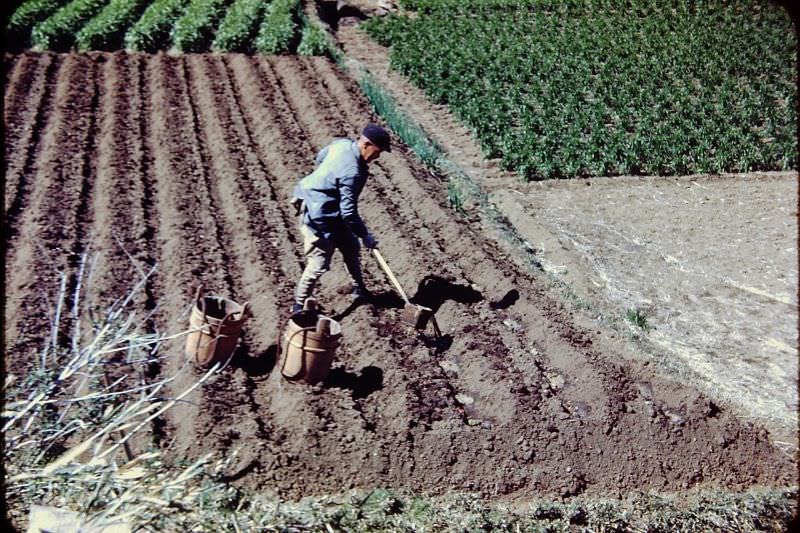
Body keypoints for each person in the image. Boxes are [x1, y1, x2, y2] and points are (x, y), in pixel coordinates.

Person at [290, 124, 391, 314]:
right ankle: (298, 305)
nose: (377, 157)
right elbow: (349, 213)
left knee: (351, 248)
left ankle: (359, 289)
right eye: (377, 152)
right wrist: (365, 235)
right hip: (318, 216)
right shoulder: (352, 172)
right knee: (318, 264)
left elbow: (320, 157)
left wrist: (328, 179)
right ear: (366, 144)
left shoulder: (342, 144)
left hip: (330, 210)